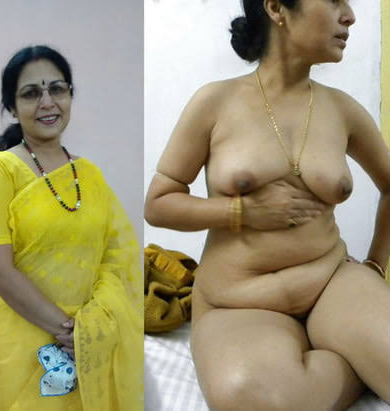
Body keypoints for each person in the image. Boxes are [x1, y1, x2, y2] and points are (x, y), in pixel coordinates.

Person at [144, 0, 390, 409]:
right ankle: (352, 368)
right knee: (250, 396)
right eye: (334, 0)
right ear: (277, 7)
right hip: (238, 300)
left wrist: (376, 268)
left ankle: (339, 352)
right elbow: (158, 203)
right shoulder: (215, 102)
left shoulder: (342, 109)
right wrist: (241, 212)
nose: (349, 15)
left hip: (331, 281)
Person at [0, 45, 142, 410]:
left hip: (88, 339)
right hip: (23, 337)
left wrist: (93, 330)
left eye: (57, 89)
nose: (47, 102)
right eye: (31, 93)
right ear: (12, 107)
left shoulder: (90, 175)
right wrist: (70, 332)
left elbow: (116, 257)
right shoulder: (1, 171)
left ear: (70, 95)